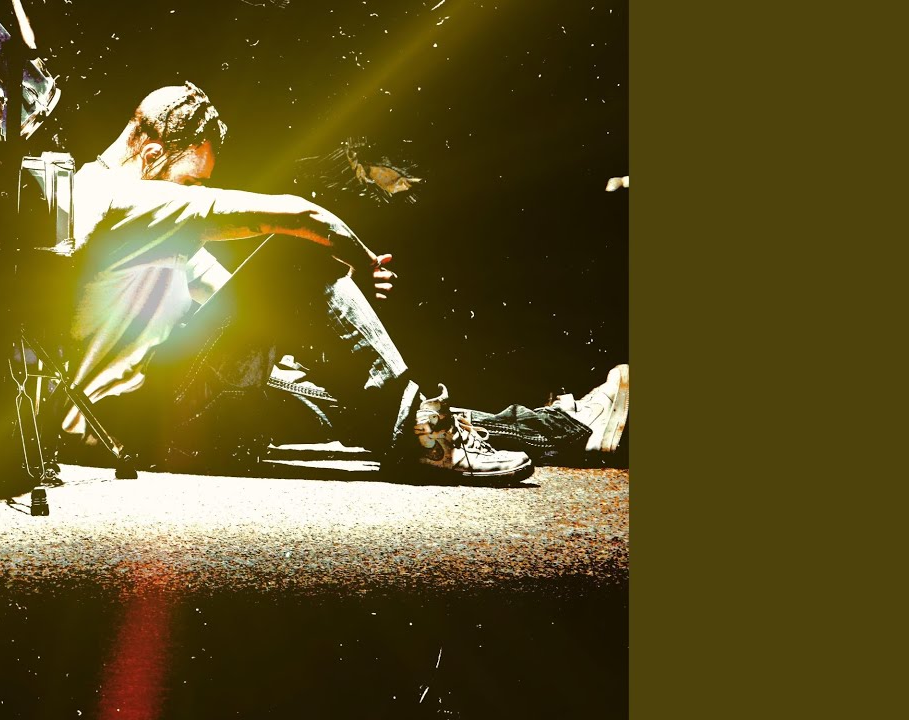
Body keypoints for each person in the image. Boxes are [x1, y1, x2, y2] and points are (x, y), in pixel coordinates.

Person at [52, 82, 627, 481]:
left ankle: (569, 426)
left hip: (161, 415)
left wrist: (302, 345)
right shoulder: (124, 196)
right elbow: (303, 217)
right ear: (153, 153)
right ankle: (426, 439)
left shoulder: (109, 203)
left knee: (351, 402)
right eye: (193, 182)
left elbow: (221, 301)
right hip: (144, 424)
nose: (197, 192)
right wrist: (361, 263)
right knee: (293, 260)